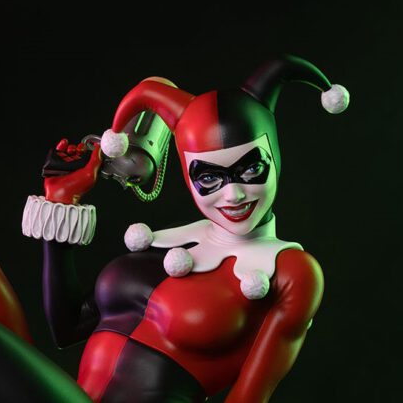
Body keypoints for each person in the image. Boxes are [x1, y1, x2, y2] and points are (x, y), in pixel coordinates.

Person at [22, 54, 349, 402]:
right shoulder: (168, 240)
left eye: (251, 170)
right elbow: (67, 329)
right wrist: (62, 199)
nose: (234, 195)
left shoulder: (290, 271)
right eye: (209, 178)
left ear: (275, 158)